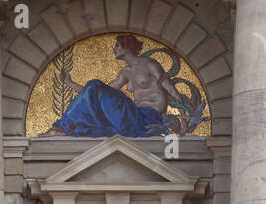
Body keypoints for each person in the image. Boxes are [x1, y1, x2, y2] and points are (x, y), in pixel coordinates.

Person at [46, 34, 205, 137]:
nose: (114, 48)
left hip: (148, 118)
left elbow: (172, 91)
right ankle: (63, 128)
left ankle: (62, 127)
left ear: (127, 47)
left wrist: (184, 121)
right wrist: (69, 83)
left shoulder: (150, 65)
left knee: (94, 85)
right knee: (94, 88)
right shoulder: (126, 73)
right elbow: (93, 93)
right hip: (132, 116)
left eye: (117, 45)